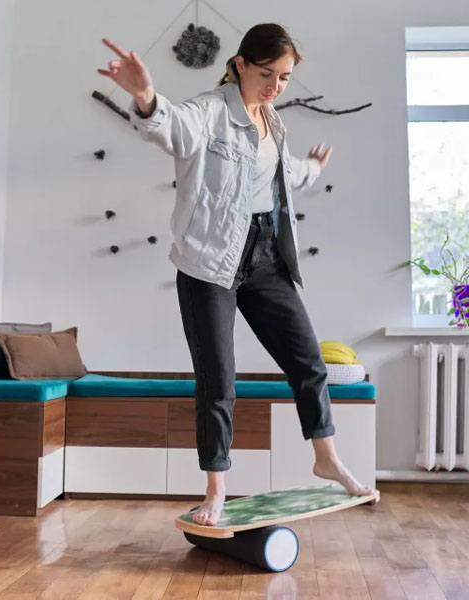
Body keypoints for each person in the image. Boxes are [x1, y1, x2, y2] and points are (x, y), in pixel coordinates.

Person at [98, 23, 373, 526]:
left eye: (285, 78)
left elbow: (281, 174)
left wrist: (311, 169)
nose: (275, 86)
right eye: (266, 73)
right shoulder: (208, 112)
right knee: (218, 381)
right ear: (242, 63)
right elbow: (170, 126)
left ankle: (326, 457)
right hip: (209, 264)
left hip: (266, 256)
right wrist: (145, 96)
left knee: (308, 362)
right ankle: (216, 489)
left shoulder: (271, 119)